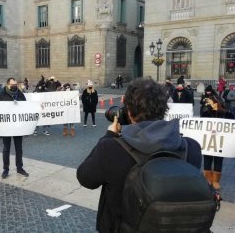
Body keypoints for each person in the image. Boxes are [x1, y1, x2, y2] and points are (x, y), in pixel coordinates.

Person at [76, 78, 202, 233]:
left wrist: (109, 135)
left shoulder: (110, 148)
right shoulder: (192, 147)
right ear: (164, 109)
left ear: (128, 111)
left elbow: (85, 178)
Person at [0, 77, 29, 179]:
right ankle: (6, 169)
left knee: (19, 149)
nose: (14, 86)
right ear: (7, 85)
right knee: (6, 149)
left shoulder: (20, 94)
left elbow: (26, 106)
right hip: (6, 127)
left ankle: (20, 168)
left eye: (15, 85)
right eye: (12, 85)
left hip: (18, 126)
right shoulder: (1, 94)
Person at [201, 94, 233, 190]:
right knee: (207, 160)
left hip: (221, 142)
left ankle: (215, 180)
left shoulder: (226, 114)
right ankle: (208, 179)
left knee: (218, 161)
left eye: (209, 102)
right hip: (208, 141)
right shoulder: (206, 112)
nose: (208, 104)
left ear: (216, 103)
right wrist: (204, 108)